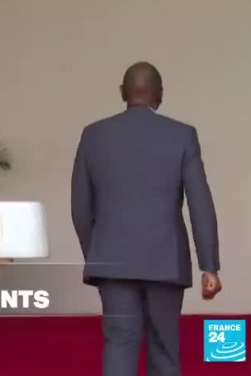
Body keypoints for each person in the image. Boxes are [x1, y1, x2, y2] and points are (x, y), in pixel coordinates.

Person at [71, 61, 222, 376]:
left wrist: (98, 255)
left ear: (122, 92)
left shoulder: (93, 135)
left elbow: (80, 207)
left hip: (112, 262)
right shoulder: (182, 135)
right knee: (164, 350)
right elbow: (200, 202)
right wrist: (209, 266)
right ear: (160, 94)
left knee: (119, 344)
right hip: (166, 263)